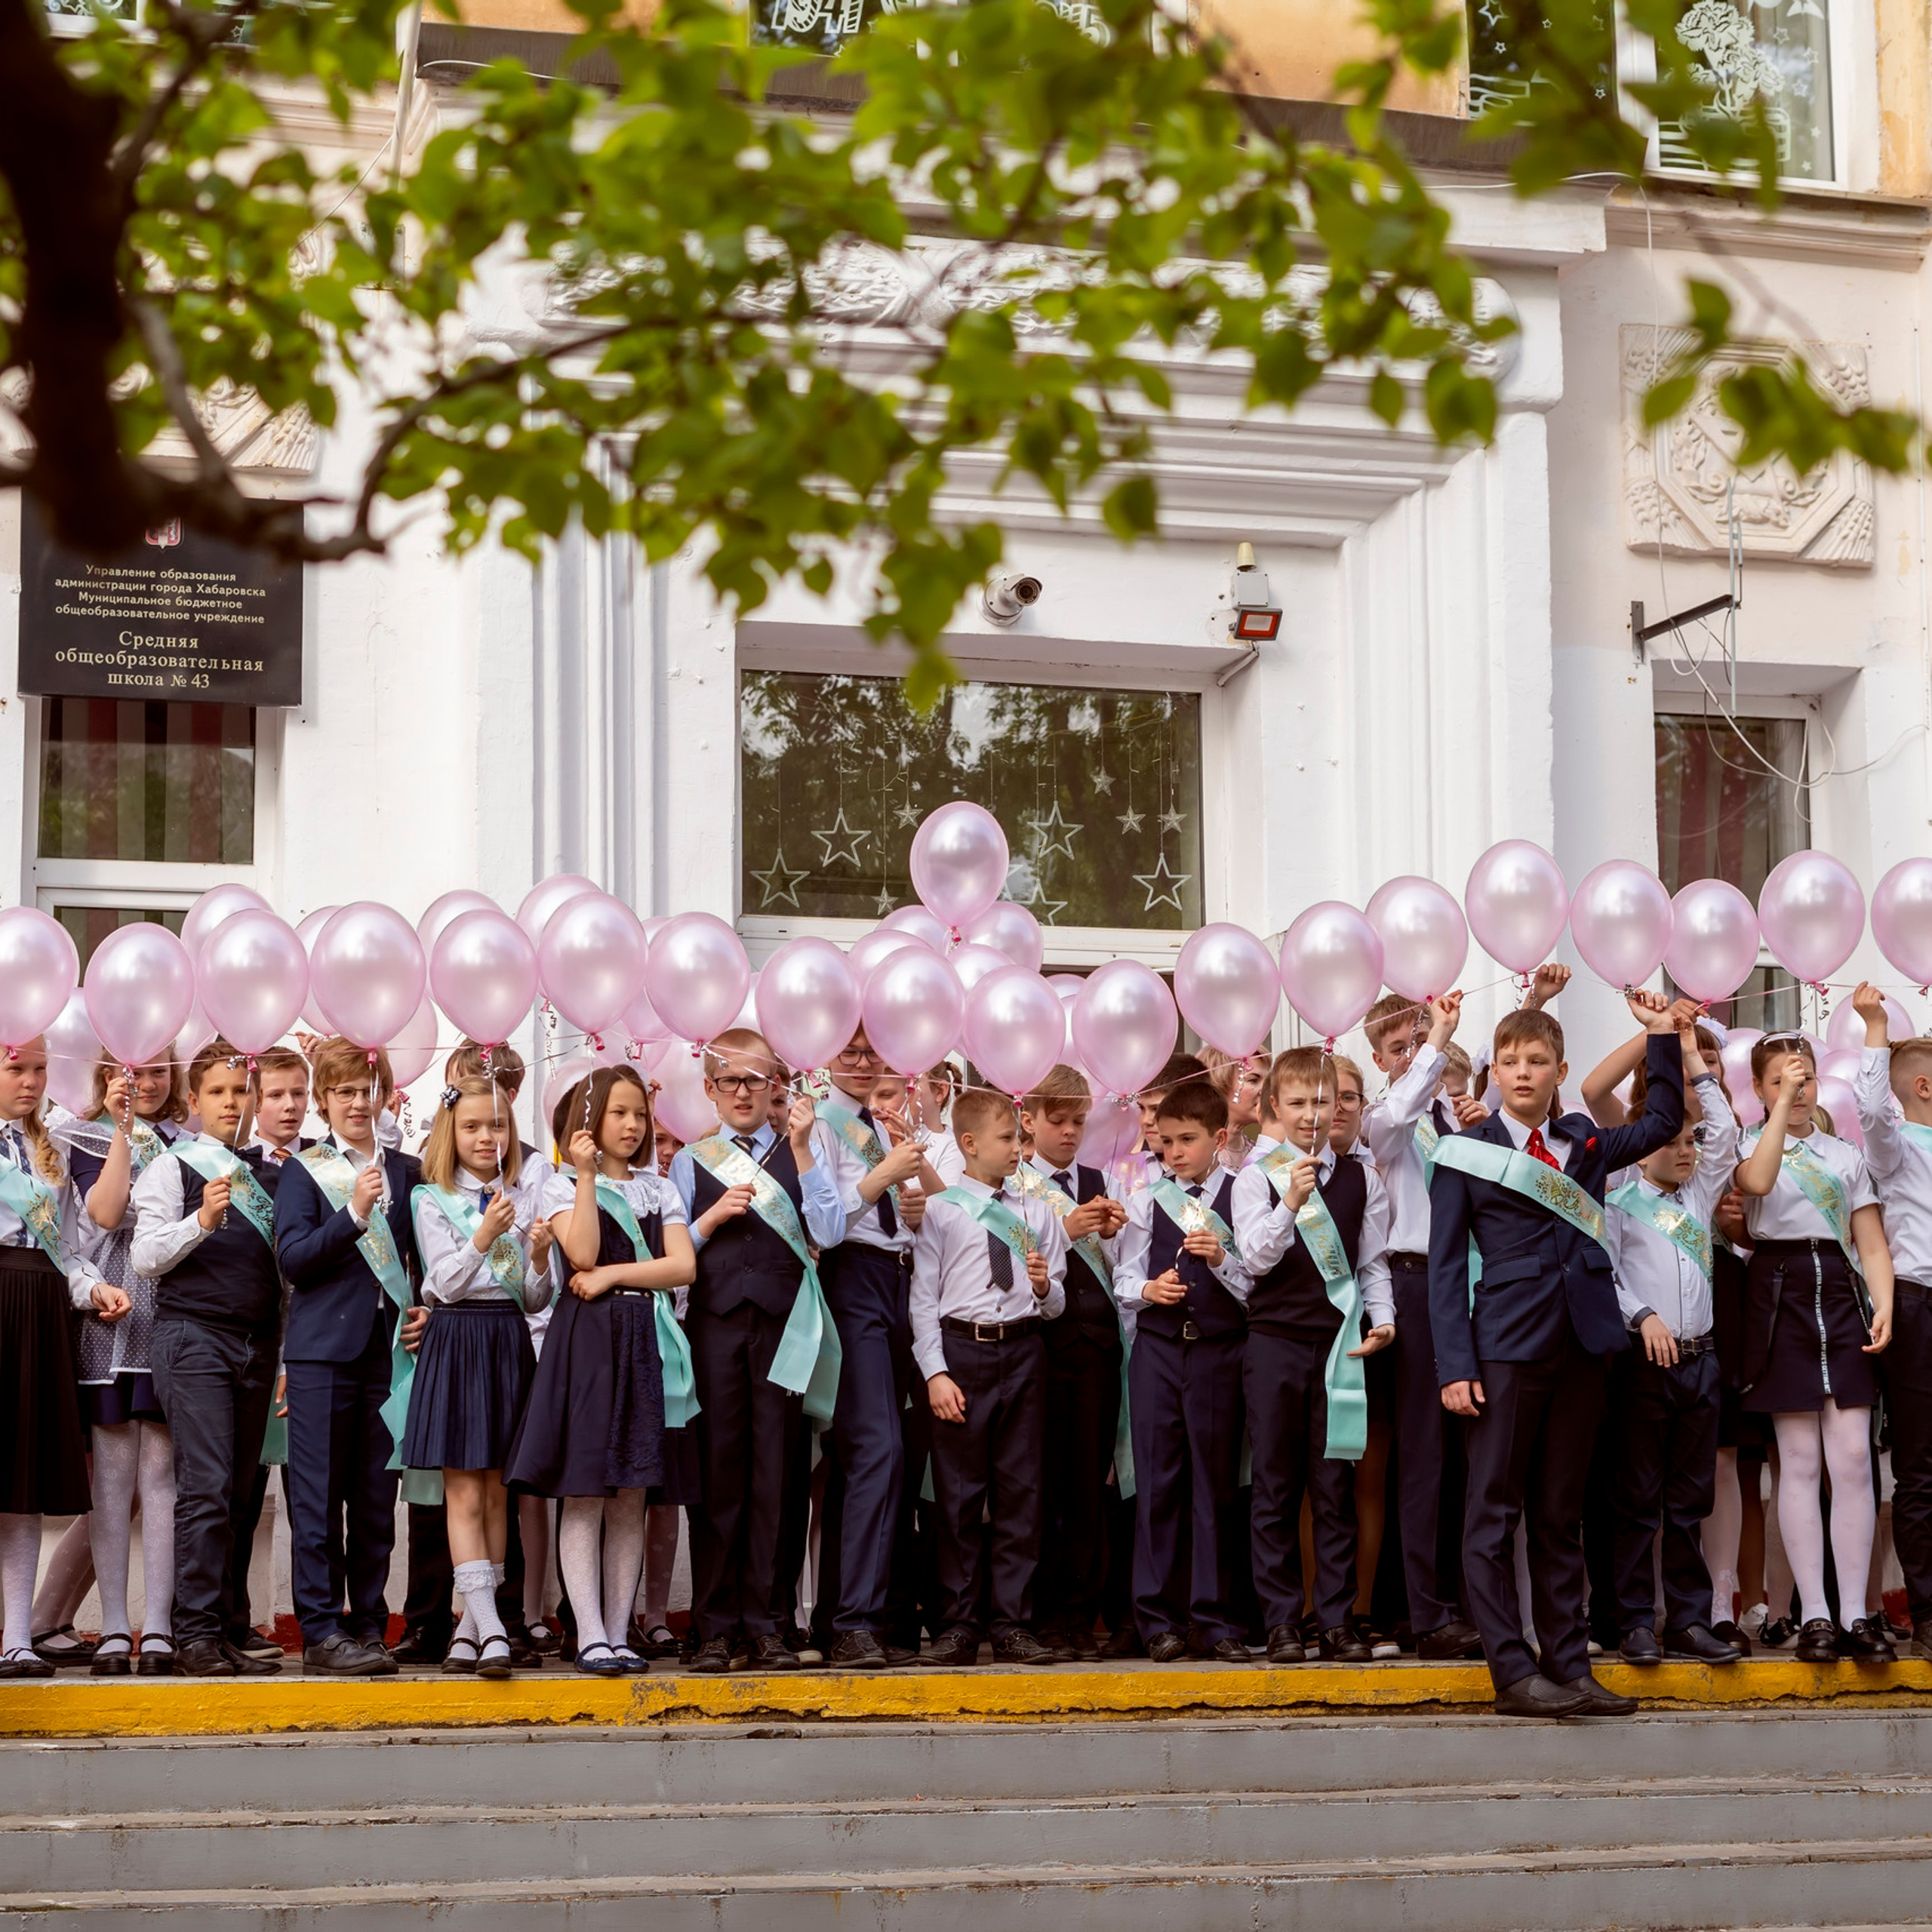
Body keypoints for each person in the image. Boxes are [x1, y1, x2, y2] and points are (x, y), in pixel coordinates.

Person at [1427, 993, 1689, 1718]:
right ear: (1493, 1073)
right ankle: (1511, 1671)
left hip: (1583, 1345)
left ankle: (1569, 1667)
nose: (1522, 1072)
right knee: (1492, 1513)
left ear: (1560, 1070)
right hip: (1504, 1348)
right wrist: (1455, 1367)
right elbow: (1447, 1267)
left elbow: (1664, 1122)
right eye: (1509, 1061)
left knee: (1558, 1514)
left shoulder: (1586, 1145)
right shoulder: (1468, 1154)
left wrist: (1661, 1035)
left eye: (1537, 1061)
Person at [509, 1065, 696, 1678]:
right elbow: (581, 1253)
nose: (632, 1124)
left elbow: (682, 1267)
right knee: (586, 1492)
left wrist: (615, 1276)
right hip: (587, 1344)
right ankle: (587, 1632)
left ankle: (620, 1631)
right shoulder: (561, 1186)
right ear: (589, 1121)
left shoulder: (659, 1188)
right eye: (618, 1112)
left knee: (632, 1495)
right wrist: (587, 1176)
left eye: (639, 1113)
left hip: (644, 1338)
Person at [667, 1029, 843, 1674]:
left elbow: (830, 1230)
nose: (743, 1093)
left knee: (778, 1475)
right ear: (710, 1091)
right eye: (729, 1082)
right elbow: (674, 1250)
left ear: (776, 1087)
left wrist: (802, 1150)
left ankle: (771, 1622)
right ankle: (715, 1627)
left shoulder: (802, 1153)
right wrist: (710, 1222)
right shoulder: (691, 1161)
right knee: (719, 1478)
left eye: (755, 1081)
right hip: (713, 1330)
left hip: (784, 1333)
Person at [1583, 1017, 1742, 1665]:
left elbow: (1726, 1133)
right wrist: (1642, 1314)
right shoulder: (1619, 1199)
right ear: (1642, 1143)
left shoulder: (1701, 1192)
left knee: (1689, 1502)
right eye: (1672, 1140)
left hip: (1700, 1365)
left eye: (1688, 1143)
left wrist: (1689, 1055)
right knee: (1637, 1500)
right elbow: (1607, 1274)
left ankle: (1689, 1619)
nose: (1685, 1151)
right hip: (1646, 1366)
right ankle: (1631, 1621)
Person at [1734, 1029, 1896, 1663]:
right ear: (1759, 1089)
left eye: (1802, 1082)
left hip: (1840, 1296)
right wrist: (1776, 1113)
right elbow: (1760, 1182)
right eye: (1780, 1081)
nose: (1795, 1092)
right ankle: (1817, 1615)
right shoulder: (1747, 1144)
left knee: (1854, 1459)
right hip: (1777, 1297)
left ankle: (1857, 1612)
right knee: (1797, 1463)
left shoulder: (1845, 1155)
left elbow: (1873, 1243)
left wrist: (1882, 1304)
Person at [132, 1040, 289, 1678]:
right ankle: (192, 1633)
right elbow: (145, 1257)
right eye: (218, 1093)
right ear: (194, 1101)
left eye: (240, 1091)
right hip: (193, 1337)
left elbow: (287, 1274)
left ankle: (225, 1629)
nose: (232, 1102)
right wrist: (200, 1220)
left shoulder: (272, 1175)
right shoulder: (173, 1168)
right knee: (207, 1487)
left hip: (260, 1343)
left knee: (243, 1491)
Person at [1232, 1046, 1393, 1664]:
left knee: (1333, 1488)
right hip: (1273, 1345)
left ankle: (1336, 1620)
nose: (1310, 1115)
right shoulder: (1256, 1176)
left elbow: (1371, 1262)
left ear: (1340, 1108)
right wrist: (1290, 1203)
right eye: (1297, 1103)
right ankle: (1280, 1621)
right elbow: (1254, 1259)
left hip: (1337, 1349)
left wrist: (1385, 1320)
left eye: (1322, 1102)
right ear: (1275, 1106)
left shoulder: (1361, 1178)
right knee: (1274, 1487)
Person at [274, 1038, 423, 1675]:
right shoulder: (303, 1172)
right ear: (325, 1104)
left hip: (385, 1356)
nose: (358, 1103)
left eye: (368, 1091)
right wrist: (355, 1213)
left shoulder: (411, 1171)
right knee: (315, 1501)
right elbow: (295, 1259)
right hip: (319, 1357)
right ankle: (320, 1632)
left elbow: (426, 1263)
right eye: (344, 1093)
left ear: (384, 1095)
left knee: (372, 1503)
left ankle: (366, 1626)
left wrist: (427, 1309)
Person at [912, 1087, 1068, 1666]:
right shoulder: (944, 1210)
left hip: (1024, 1352)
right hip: (963, 1353)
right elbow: (924, 1300)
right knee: (957, 1497)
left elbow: (1057, 1305)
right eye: (1008, 1139)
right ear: (969, 1143)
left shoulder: (1036, 1212)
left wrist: (1046, 1287)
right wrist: (935, 1372)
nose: (1017, 1149)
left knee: (1020, 1493)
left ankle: (1012, 1623)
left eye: (1021, 1139)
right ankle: (957, 1623)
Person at [402, 1077, 551, 1678]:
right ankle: (492, 1628)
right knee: (463, 1490)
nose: (487, 1137)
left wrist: (538, 1258)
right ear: (450, 1132)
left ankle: (470, 1631)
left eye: (497, 1125)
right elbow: (440, 1284)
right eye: (472, 1127)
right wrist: (487, 1235)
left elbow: (535, 1299)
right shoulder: (430, 1197)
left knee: (498, 1492)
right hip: (457, 1336)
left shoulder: (523, 1191)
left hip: (507, 1339)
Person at [812, 1023, 943, 1667]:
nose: (862, 1062)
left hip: (898, 1282)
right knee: (876, 1448)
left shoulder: (879, 1126)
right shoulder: (818, 1124)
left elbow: (905, 1216)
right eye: (850, 1050)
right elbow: (826, 1224)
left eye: (872, 1052)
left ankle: (864, 1613)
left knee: (881, 1455)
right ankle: (852, 1621)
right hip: (852, 1283)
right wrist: (882, 1177)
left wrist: (909, 1208)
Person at [56, 1052, 190, 1676]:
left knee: (161, 1482)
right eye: (131, 1070)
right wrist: (120, 1129)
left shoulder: (196, 1144)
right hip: (110, 1318)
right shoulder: (80, 1136)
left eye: (160, 1069)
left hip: (174, 1315)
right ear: (106, 1074)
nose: (146, 1082)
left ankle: (158, 1626)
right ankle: (112, 1627)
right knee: (110, 1483)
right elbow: (107, 1215)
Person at [1361, 991, 1483, 1661]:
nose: (1414, 1058)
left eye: (1421, 1044)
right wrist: (1436, 1039)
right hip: (1414, 1280)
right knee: (1423, 1456)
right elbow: (1402, 1108)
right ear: (1379, 1059)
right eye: (1400, 1048)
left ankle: (1467, 1601)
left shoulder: (1456, 1118)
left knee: (1468, 1457)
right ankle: (1424, 1613)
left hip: (1469, 1283)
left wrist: (1479, 1126)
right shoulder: (1386, 1116)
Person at [1115, 1075, 1254, 1661]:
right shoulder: (1148, 1198)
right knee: (1159, 1484)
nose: (1172, 1153)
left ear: (1218, 1137)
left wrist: (1219, 1260)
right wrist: (1150, 1288)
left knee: (1215, 1487)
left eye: (1186, 1140)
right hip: (1159, 1351)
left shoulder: (1244, 1194)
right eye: (1165, 1142)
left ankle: (1214, 1619)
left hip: (1220, 1351)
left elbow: (1256, 1282)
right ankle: (1157, 1619)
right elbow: (1123, 1279)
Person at [0, 1037, 112, 1679]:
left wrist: (91, 1287)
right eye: (18, 1068)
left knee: (21, 1482)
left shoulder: (52, 1152)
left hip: (41, 1312)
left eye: (41, 1070)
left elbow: (67, 1249)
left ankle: (18, 1636)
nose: (33, 1081)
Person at [1015, 1063, 1128, 1659]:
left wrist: (1113, 1233)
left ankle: (1080, 1617)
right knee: (1041, 1485)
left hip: (1097, 1351)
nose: (1068, 1132)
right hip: (1041, 1348)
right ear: (1027, 1120)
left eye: (1078, 1120)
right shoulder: (1012, 1183)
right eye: (1056, 1120)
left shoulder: (1097, 1177)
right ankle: (1041, 1614)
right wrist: (1066, 1227)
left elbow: (1118, 1264)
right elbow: (1012, 1253)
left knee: (1087, 1488)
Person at [1851, 982, 1932, 1657]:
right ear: (1926, 1087)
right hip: (1919, 1305)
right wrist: (1876, 1027)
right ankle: (1929, 1612)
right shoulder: (1898, 1146)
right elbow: (1873, 1110)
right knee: (1922, 1469)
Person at [227, 1044, 314, 1663]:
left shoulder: (324, 1168)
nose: (288, 1106)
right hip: (250, 1346)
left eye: (298, 1094)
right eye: (275, 1095)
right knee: (239, 1491)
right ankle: (232, 1619)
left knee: (311, 1493)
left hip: (309, 1348)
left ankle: (321, 1621)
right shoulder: (234, 1167)